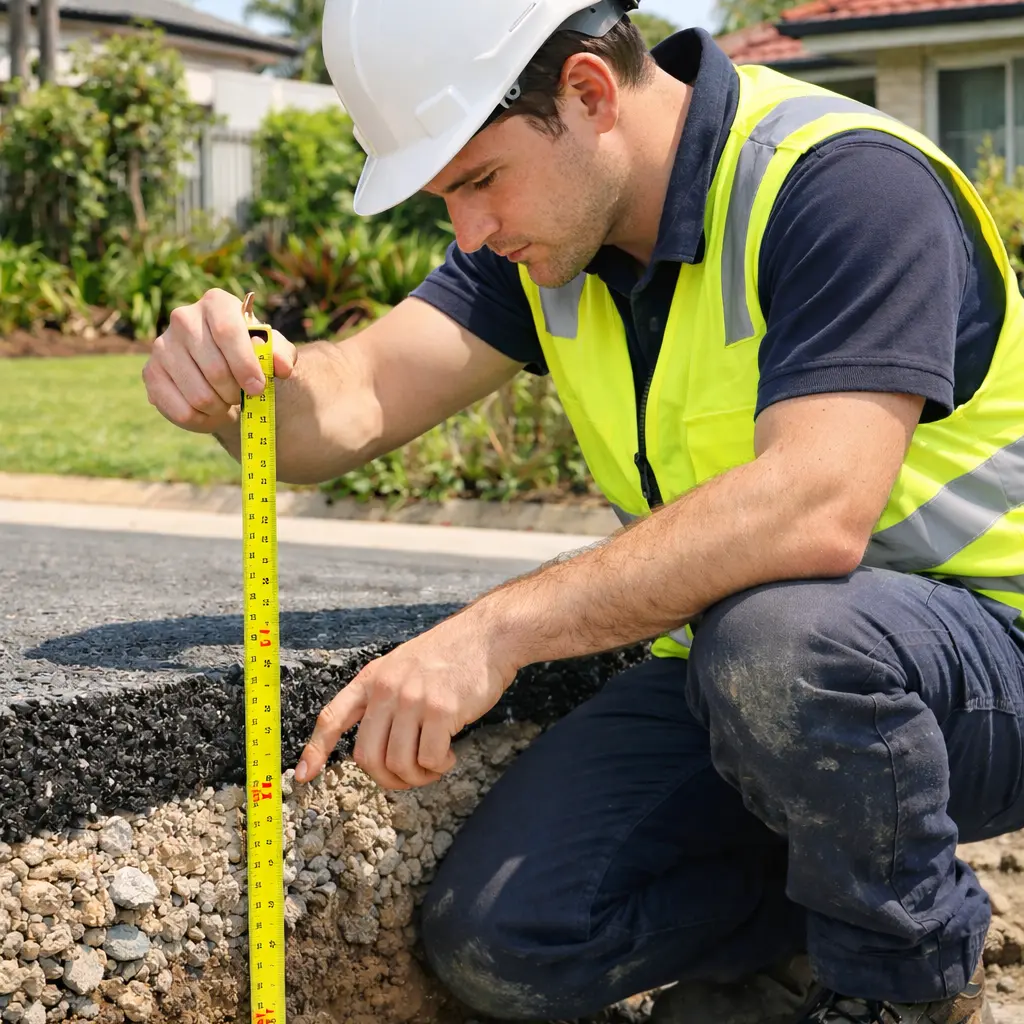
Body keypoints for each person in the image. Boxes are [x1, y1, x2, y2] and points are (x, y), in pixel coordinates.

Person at [141, 0, 1024, 1020]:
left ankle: (901, 981)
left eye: (479, 180)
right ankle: (812, 927)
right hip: (753, 679)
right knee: (506, 936)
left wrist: (494, 632)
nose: (469, 230)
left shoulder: (844, 184)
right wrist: (246, 380)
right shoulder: (557, 229)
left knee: (781, 642)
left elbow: (814, 506)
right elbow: (354, 400)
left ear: (589, 92)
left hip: (982, 665)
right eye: (444, 195)